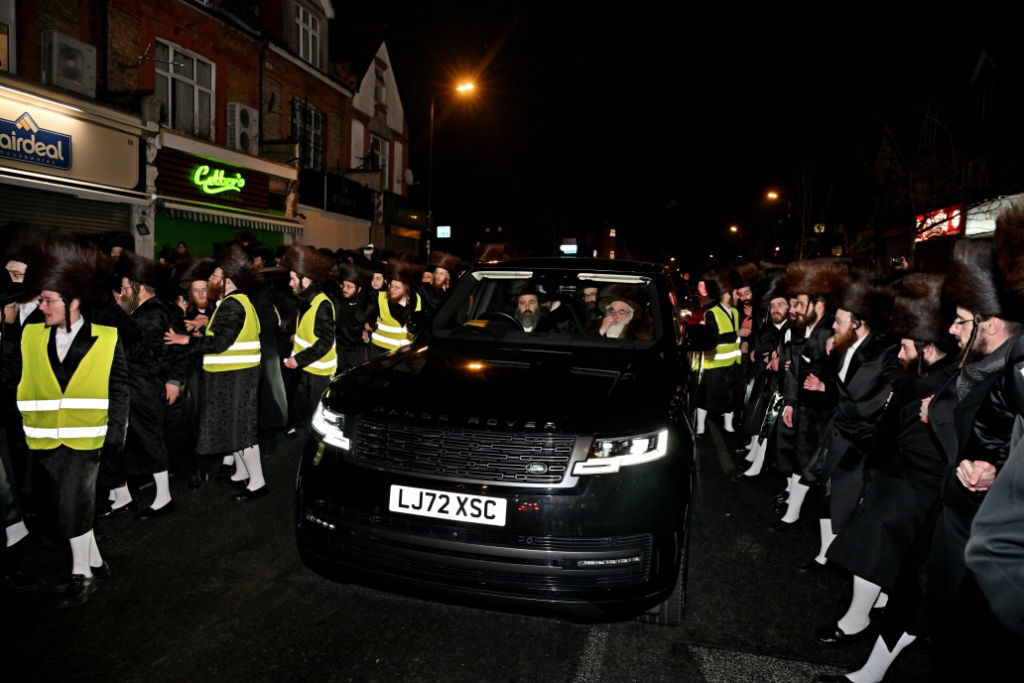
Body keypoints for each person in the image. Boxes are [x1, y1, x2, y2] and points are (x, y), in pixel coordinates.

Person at [814, 274, 957, 681]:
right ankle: (862, 619)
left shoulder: (938, 386)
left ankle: (858, 621)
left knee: (875, 553)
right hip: (895, 483)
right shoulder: (921, 378)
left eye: (907, 347)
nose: (899, 353)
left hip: (914, 490)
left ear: (928, 349)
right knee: (879, 557)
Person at [10, 236, 129, 606]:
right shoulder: (29, 334)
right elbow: (12, 374)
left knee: (74, 503)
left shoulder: (107, 337)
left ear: (73, 303)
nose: (41, 305)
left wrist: (116, 435)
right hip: (43, 439)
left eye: (49, 300)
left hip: (87, 438)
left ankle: (82, 574)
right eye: (42, 298)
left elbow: (121, 389)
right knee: (64, 504)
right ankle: (94, 559)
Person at [165, 246, 268, 502]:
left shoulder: (234, 305)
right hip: (230, 376)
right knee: (235, 430)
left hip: (236, 377)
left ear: (227, 281)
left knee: (242, 431)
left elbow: (220, 343)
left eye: (214, 276)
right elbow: (224, 335)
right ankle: (242, 473)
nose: (210, 279)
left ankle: (257, 482)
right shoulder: (231, 302)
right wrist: (203, 327)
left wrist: (185, 340)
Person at [102, 253, 183, 519]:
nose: (122, 293)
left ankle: (164, 497)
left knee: (150, 440)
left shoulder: (154, 313)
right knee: (124, 442)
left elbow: (139, 351)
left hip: (144, 386)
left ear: (139, 288)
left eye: (125, 289)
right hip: (131, 385)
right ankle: (122, 496)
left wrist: (174, 380)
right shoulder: (142, 311)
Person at [772, 259, 846, 534]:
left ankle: (826, 546)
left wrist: (825, 386)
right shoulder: (804, 330)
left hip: (829, 416)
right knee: (801, 461)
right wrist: (791, 403)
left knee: (823, 474)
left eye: (798, 304)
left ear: (818, 303)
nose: (793, 309)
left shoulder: (832, 332)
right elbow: (793, 372)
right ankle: (791, 514)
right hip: (805, 410)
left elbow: (851, 378)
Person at [735, 276, 791, 479]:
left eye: (780, 305)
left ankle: (759, 465)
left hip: (782, 387)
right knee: (759, 419)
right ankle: (755, 456)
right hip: (765, 379)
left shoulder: (790, 330)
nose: (775, 308)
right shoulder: (770, 326)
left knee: (768, 423)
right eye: (773, 305)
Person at [281, 246, 336, 434]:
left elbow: (325, 341)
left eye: (292, 279)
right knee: (301, 406)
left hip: (319, 372)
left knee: (316, 415)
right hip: (307, 369)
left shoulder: (322, 305)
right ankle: (299, 431)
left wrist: (298, 359)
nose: (289, 283)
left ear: (306, 280)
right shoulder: (306, 300)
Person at [693, 270, 742, 435]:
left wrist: (741, 344)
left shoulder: (735, 312)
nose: (738, 296)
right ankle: (700, 427)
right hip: (714, 363)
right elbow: (714, 338)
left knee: (729, 396)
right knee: (707, 396)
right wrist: (737, 334)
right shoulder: (711, 313)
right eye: (735, 293)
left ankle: (729, 426)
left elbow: (736, 339)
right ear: (727, 295)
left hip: (732, 363)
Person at [367, 260, 422, 354]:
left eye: (397, 287)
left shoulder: (416, 298)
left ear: (406, 288)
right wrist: (369, 324)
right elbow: (368, 316)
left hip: (406, 350)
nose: (393, 290)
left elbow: (418, 324)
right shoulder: (379, 297)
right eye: (391, 286)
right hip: (380, 350)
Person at [334, 265, 369, 372]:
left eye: (349, 287)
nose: (345, 289)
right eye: (343, 286)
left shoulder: (364, 306)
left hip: (356, 354)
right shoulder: (336, 303)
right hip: (337, 353)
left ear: (359, 289)